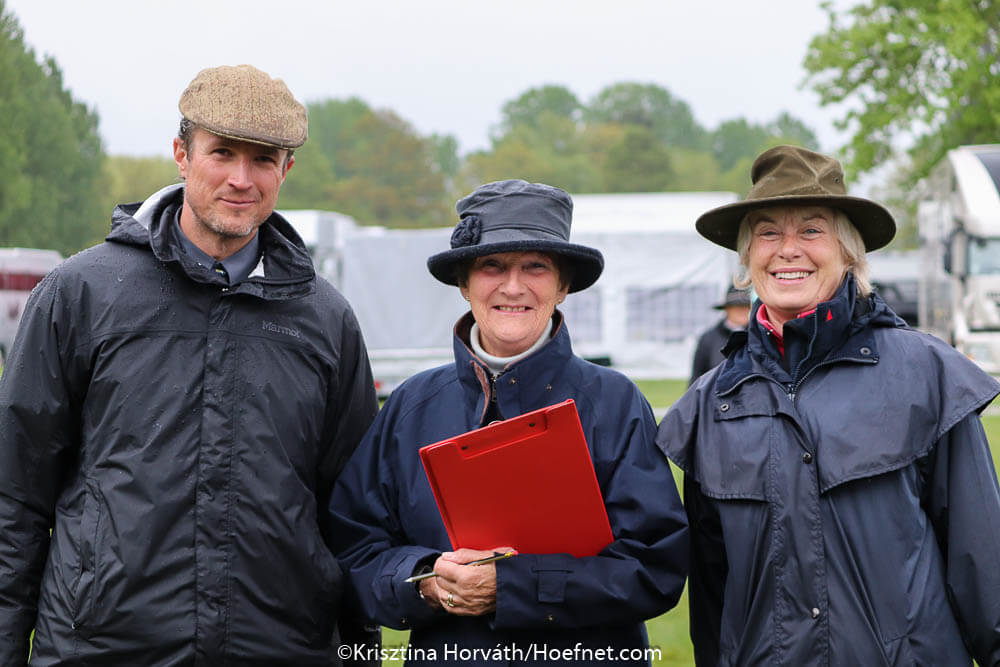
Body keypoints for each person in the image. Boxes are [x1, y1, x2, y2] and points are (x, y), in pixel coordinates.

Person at [0, 65, 378, 665]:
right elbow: (15, 494)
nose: (240, 179)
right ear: (182, 154)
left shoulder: (326, 320)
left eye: (263, 160)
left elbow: (354, 516)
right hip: (103, 649)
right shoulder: (81, 294)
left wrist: (362, 651)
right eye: (222, 153)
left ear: (286, 170)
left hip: (280, 647)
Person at [657, 145, 1000, 666]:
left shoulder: (925, 374)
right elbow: (713, 600)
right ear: (747, 260)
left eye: (812, 230)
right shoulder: (711, 405)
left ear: (849, 253)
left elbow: (984, 565)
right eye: (768, 233)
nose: (787, 249)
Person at [329, 179, 688, 665]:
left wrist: (512, 587)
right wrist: (426, 580)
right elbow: (353, 549)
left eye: (535, 266)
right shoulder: (411, 406)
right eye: (491, 266)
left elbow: (654, 566)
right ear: (464, 284)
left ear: (562, 286)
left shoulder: (614, 402)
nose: (513, 286)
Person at [688, 286, 751, 385]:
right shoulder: (708, 339)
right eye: (737, 306)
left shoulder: (759, 336)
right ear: (727, 309)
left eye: (745, 306)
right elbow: (697, 378)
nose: (742, 310)